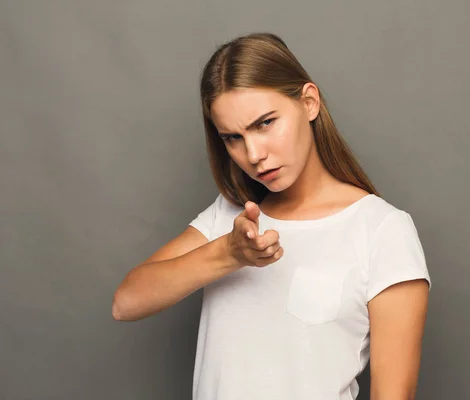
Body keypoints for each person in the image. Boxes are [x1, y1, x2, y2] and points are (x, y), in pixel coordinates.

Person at [112, 32, 431, 400]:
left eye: (265, 123)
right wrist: (228, 255)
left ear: (309, 103)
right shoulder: (231, 216)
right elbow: (126, 302)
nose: (253, 153)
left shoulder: (381, 230)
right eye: (232, 137)